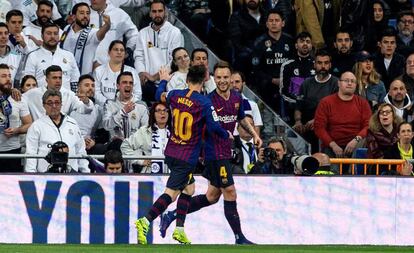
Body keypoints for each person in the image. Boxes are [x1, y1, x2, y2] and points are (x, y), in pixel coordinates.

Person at [159, 62, 261, 244]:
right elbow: (204, 127)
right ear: (213, 78)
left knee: (212, 196)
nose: (222, 81)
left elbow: (241, 118)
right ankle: (239, 238)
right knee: (230, 191)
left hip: (225, 152)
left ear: (231, 78)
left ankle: (172, 215)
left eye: (225, 77)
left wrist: (254, 135)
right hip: (214, 153)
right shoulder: (209, 100)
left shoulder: (237, 98)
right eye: (219, 77)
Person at [135, 65, 231, 245]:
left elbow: (159, 96)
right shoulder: (204, 103)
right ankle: (146, 220)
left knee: (189, 189)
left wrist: (163, 80)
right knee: (171, 194)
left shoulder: (175, 94)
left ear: (187, 80)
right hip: (186, 157)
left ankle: (179, 229)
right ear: (204, 80)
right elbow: (214, 128)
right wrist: (227, 135)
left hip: (172, 151)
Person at [314, 71, 372, 174]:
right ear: (339, 83)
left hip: (356, 145)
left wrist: (355, 140)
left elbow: (368, 126)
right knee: (332, 173)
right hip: (332, 146)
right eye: (346, 80)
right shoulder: (326, 102)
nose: (349, 83)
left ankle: (353, 175)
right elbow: (319, 128)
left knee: (365, 141)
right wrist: (333, 145)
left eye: (353, 81)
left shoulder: (363, 103)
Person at [25, 89, 90, 173]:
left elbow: (80, 150)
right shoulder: (36, 126)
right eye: (50, 103)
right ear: (43, 105)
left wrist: (86, 172)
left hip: (72, 174)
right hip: (45, 175)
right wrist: (31, 175)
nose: (54, 106)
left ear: (61, 104)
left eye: (57, 102)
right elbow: (31, 153)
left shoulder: (72, 123)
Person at [134, 0, 183, 105]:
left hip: (168, 83)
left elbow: (174, 61)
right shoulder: (142, 33)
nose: (157, 14)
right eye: (154, 11)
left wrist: (154, 77)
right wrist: (141, 73)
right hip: (147, 84)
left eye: (160, 11)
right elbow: (138, 56)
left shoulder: (175, 32)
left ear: (165, 12)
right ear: (150, 13)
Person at [294, 50, 338, 153]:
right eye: (319, 63)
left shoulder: (336, 83)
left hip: (328, 128)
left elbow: (336, 110)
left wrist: (316, 121)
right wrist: (298, 121)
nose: (323, 66)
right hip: (307, 128)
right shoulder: (306, 83)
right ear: (314, 64)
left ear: (330, 65)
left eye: (326, 63)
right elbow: (298, 106)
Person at [251, 9, 294, 112]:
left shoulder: (290, 41)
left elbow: (295, 64)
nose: (274, 23)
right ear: (266, 24)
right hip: (267, 87)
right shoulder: (259, 43)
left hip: (288, 85)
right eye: (271, 20)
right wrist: (273, 80)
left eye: (277, 20)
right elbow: (255, 70)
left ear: (282, 23)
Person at [22, 65, 94, 121]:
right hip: (39, 133)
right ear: (46, 79)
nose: (58, 81)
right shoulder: (33, 93)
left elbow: (86, 110)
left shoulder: (69, 94)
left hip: (61, 132)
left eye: (60, 78)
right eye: (54, 78)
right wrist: (14, 91)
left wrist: (86, 101)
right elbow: (19, 99)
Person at [22, 22, 80, 92]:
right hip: (41, 100)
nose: (52, 36)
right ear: (42, 36)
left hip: (66, 100)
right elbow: (28, 82)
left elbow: (75, 81)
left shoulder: (69, 55)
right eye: (49, 33)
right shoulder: (33, 56)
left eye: (55, 34)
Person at [60, 2, 111, 75]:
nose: (85, 16)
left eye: (87, 13)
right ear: (74, 17)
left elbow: (100, 34)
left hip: (83, 79)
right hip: (65, 77)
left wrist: (107, 26)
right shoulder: (67, 29)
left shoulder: (92, 32)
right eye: (82, 13)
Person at [120, 102, 170, 173]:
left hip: (173, 174)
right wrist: (140, 161)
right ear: (153, 114)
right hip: (150, 173)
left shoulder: (176, 132)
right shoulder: (144, 131)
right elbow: (125, 146)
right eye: (159, 110)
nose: (163, 113)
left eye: (165, 110)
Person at [0, 64, 32, 172]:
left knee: (11, 188)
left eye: (9, 76)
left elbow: (29, 124)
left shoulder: (18, 98)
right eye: (4, 76)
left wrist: (17, 130)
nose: (8, 79)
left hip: (12, 151)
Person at [89, 0, 139, 67]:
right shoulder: (84, 14)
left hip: (112, 67)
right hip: (87, 68)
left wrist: (128, 50)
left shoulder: (119, 14)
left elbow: (134, 35)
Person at [280, 31, 314, 123]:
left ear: (311, 45)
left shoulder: (317, 64)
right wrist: (298, 104)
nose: (305, 44)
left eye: (308, 41)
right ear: (296, 45)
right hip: (292, 108)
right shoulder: (287, 65)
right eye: (302, 41)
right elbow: (283, 92)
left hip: (313, 110)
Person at [102, 71, 148, 140]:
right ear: (118, 86)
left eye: (131, 83)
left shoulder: (141, 106)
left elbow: (146, 131)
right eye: (124, 82)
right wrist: (122, 112)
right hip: (115, 146)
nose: (128, 85)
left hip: (135, 146)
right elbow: (106, 126)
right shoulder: (109, 104)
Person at [94, 40, 141, 107]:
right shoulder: (99, 71)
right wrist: (109, 104)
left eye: (122, 50)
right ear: (109, 52)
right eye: (116, 50)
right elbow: (96, 92)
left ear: (125, 54)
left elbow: (138, 93)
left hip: (127, 109)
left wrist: (125, 104)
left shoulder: (132, 71)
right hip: (103, 108)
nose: (119, 52)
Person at [228, 0, 266, 73]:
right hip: (246, 60)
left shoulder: (267, 15)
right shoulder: (236, 17)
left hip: (267, 56)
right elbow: (237, 43)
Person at [69, 74, 101, 154]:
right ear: (78, 88)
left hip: (90, 146)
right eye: (87, 85)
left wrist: (93, 141)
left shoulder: (99, 109)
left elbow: (103, 133)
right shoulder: (70, 104)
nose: (91, 88)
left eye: (93, 86)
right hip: (70, 141)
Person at [230, 70, 262, 135]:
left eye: (237, 82)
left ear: (243, 83)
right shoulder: (221, 104)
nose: (234, 85)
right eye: (231, 82)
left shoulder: (252, 105)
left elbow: (257, 128)